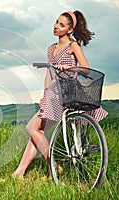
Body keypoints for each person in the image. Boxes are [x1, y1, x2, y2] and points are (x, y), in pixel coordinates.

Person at [12, 10, 108, 179]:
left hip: (70, 91)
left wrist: (70, 68)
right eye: (56, 22)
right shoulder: (51, 49)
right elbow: (49, 74)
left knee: (33, 129)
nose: (56, 26)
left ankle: (52, 165)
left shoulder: (73, 46)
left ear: (69, 30)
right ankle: (20, 172)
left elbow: (86, 68)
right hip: (55, 94)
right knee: (36, 131)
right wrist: (44, 96)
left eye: (61, 25)